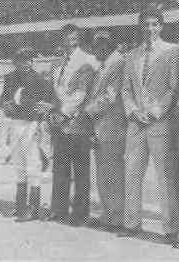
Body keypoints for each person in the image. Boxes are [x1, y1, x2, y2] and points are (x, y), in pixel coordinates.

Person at [118, 8, 179, 248]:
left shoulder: (173, 51)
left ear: (161, 27)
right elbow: (125, 89)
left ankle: (171, 229)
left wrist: (154, 113)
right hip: (136, 123)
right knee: (132, 173)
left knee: (165, 177)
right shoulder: (131, 55)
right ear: (140, 26)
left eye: (154, 24)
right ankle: (132, 223)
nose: (150, 29)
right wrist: (133, 111)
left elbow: (173, 90)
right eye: (146, 24)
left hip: (159, 123)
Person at [48, 24, 97, 226]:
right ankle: (58, 210)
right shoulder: (56, 63)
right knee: (59, 167)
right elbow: (53, 91)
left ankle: (80, 213)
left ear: (77, 38)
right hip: (58, 124)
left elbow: (81, 94)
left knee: (81, 169)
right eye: (65, 37)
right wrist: (53, 113)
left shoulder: (87, 60)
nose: (68, 40)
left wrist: (63, 113)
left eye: (72, 37)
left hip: (78, 122)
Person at [0, 48, 55, 222]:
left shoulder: (40, 79)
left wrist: (44, 108)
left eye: (30, 60)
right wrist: (5, 105)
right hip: (15, 123)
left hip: (32, 124)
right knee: (19, 164)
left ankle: (34, 207)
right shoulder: (10, 78)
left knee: (33, 163)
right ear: (15, 62)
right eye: (22, 60)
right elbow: (4, 98)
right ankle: (20, 205)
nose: (27, 63)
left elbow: (51, 100)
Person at [84, 28, 127, 232]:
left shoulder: (118, 64)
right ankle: (107, 215)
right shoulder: (103, 66)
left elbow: (110, 97)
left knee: (114, 173)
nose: (100, 47)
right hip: (101, 128)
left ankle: (117, 217)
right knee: (103, 172)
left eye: (104, 44)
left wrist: (87, 112)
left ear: (111, 45)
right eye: (96, 44)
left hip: (113, 127)